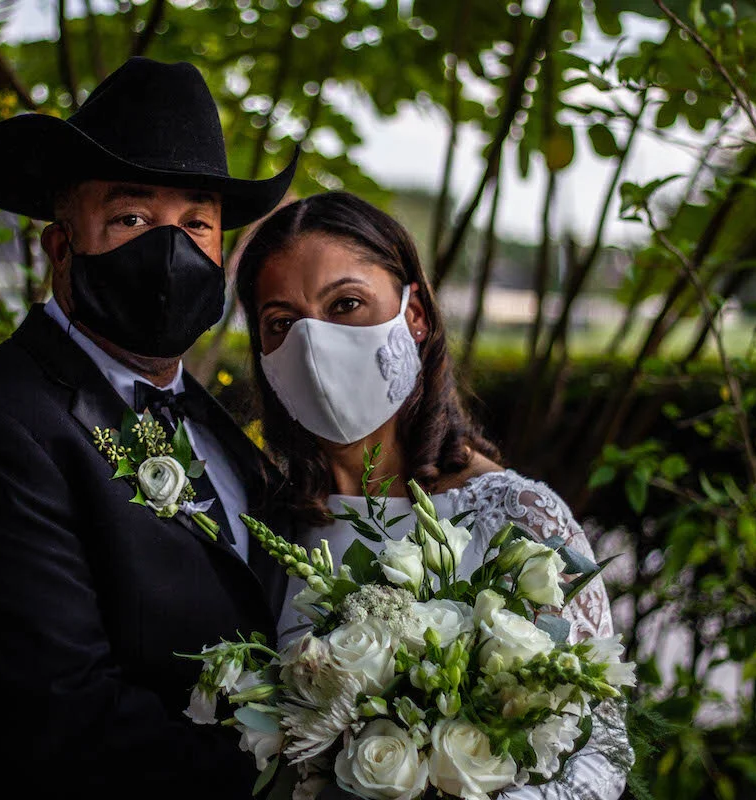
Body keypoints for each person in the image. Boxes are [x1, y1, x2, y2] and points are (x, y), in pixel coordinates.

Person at [0, 57, 297, 797]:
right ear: (60, 248)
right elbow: (57, 726)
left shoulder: (222, 434)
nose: (169, 250)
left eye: (195, 224)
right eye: (131, 218)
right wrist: (314, 775)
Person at [234, 191, 633, 799]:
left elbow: (603, 744)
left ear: (413, 313)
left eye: (346, 304)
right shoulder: (271, 530)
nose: (314, 345)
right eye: (282, 323)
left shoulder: (514, 517)